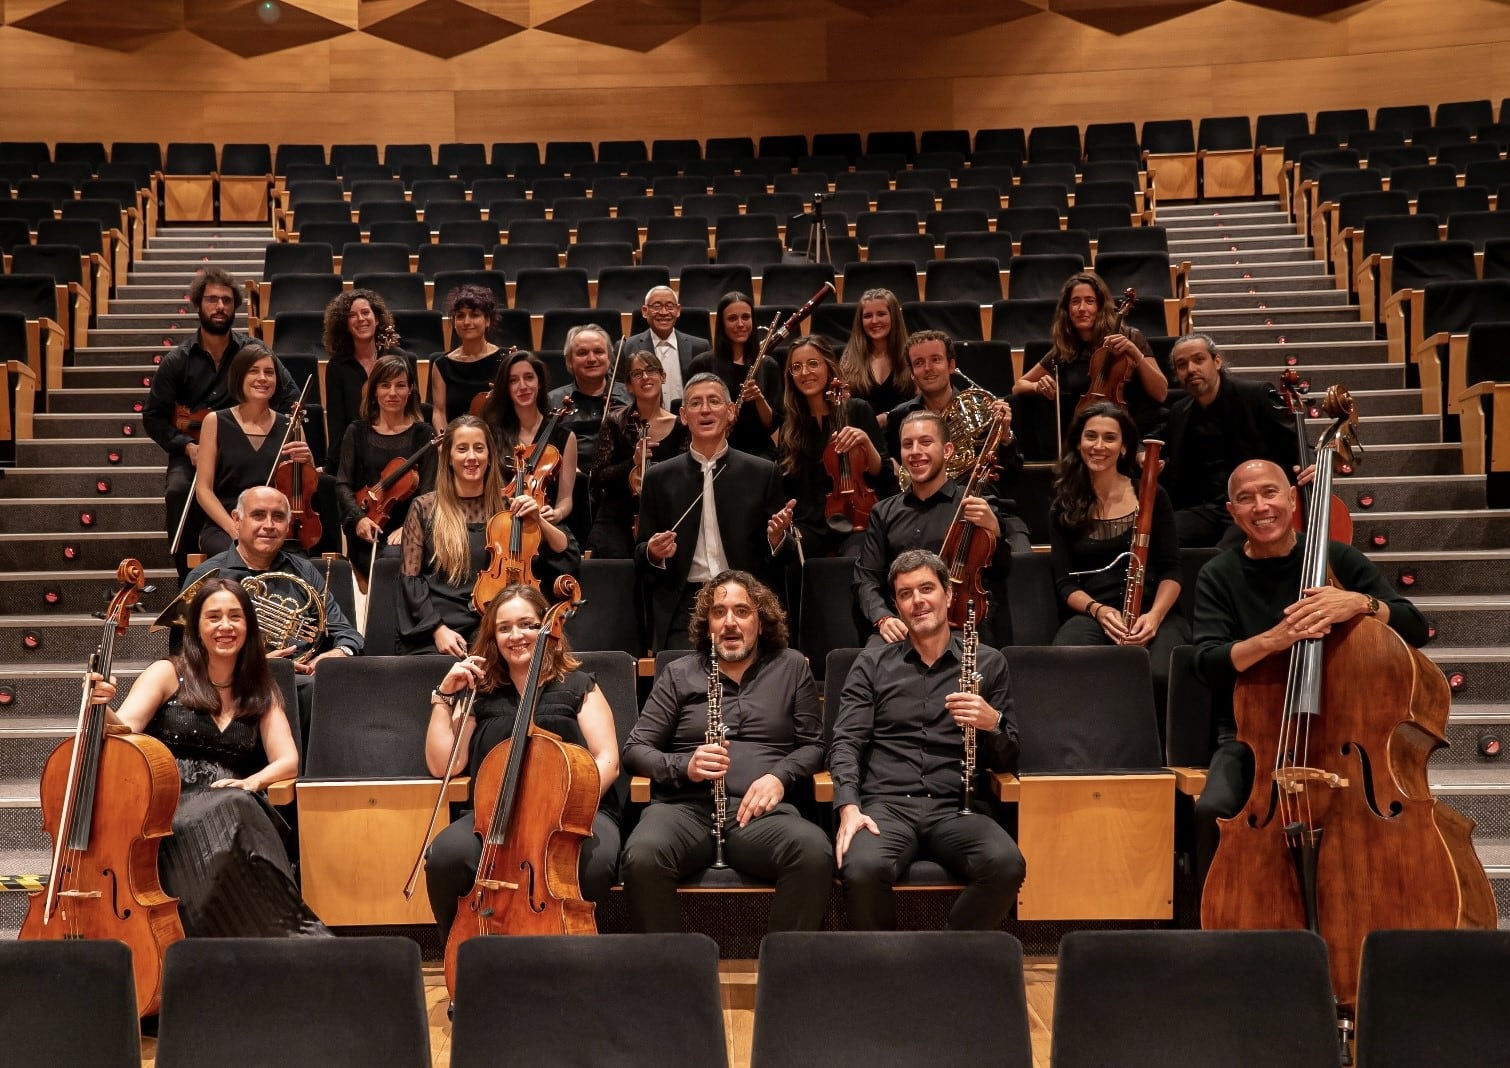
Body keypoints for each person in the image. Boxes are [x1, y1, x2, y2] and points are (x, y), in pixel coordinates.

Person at [1190, 459, 1429, 887]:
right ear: (1232, 511)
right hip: (1255, 737)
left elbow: (1416, 626)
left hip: (1343, 732)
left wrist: (1362, 603)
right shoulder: (1218, 575)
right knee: (1213, 809)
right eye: (1246, 499)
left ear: (1292, 498)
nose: (1260, 507)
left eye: (1270, 493)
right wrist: (1276, 638)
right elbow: (1207, 662)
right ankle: (1219, 938)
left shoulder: (1337, 559)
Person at [98, 577, 324, 936]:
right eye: (213, 617)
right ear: (196, 627)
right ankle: (288, 935)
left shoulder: (259, 686)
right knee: (239, 808)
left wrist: (254, 781)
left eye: (235, 616)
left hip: (231, 799)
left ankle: (284, 939)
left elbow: (288, 760)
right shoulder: (167, 673)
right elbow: (124, 731)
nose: (225, 626)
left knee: (241, 806)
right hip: (168, 805)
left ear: (248, 625)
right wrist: (100, 707)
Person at [621, 571, 832, 932]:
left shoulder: (792, 666)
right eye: (719, 612)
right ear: (707, 626)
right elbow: (635, 749)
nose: (730, 622)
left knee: (813, 852)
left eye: (742, 611)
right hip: (685, 808)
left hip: (762, 813)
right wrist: (685, 766)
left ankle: (783, 972)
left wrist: (779, 777)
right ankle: (674, 973)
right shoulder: (678, 673)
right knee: (642, 856)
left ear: (761, 623)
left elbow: (814, 746)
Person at [831, 549, 1026, 930]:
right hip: (886, 805)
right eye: (906, 594)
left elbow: (1010, 758)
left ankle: (946, 955)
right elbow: (846, 742)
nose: (918, 601)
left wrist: (992, 722)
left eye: (926, 589)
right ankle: (885, 968)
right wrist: (848, 807)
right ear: (897, 606)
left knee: (1006, 865)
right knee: (862, 868)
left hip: (958, 806)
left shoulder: (988, 662)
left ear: (948, 594)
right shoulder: (872, 664)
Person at [422, 583, 621, 945]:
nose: (517, 636)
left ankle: (581, 956)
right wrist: (444, 696)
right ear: (493, 636)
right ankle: (465, 955)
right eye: (504, 627)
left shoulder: (577, 685)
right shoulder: (481, 692)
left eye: (527, 624)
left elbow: (607, 758)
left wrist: (563, 806)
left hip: (573, 816)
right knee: (444, 857)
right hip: (495, 816)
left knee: (596, 863)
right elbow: (443, 765)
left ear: (545, 629)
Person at [143, 267, 297, 579]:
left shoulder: (254, 353)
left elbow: (289, 395)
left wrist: (263, 424)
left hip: (245, 447)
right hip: (196, 450)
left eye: (226, 300)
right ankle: (187, 575)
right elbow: (153, 417)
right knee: (178, 489)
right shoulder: (178, 360)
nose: (220, 306)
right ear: (198, 304)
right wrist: (186, 447)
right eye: (212, 299)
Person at [636, 373, 796, 651]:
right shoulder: (659, 477)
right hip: (684, 605)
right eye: (696, 404)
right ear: (684, 416)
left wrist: (777, 538)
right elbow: (640, 551)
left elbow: (784, 556)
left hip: (746, 599)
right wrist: (653, 552)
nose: (706, 410)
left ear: (731, 411)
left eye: (714, 401)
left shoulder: (761, 472)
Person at [398, 415, 578, 656]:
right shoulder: (424, 508)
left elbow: (567, 553)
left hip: (498, 629)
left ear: (490, 456)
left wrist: (539, 520)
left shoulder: (510, 506)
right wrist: (437, 630)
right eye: (462, 449)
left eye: (479, 448)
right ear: (449, 458)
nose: (471, 457)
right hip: (440, 632)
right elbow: (411, 580)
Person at [1049, 402, 1189, 712]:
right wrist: (1099, 611)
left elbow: (1172, 570)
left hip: (1153, 611)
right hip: (1094, 612)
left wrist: (1153, 618)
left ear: (1124, 447)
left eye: (1110, 438)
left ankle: (1161, 755)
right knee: (1064, 663)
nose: (1099, 446)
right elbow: (1064, 584)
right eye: (1091, 437)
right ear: (1078, 442)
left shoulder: (1152, 495)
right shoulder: (1063, 505)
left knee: (1160, 673)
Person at [854, 409, 1018, 646]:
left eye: (926, 442)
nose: (915, 452)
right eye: (907, 445)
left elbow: (1001, 571)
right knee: (868, 663)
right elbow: (866, 577)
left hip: (961, 627)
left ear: (947, 450)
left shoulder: (975, 503)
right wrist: (883, 618)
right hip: (903, 628)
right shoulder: (884, 512)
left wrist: (995, 530)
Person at [183, 485, 363, 674]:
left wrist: (336, 654)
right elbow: (185, 651)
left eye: (278, 517)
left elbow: (349, 636)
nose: (268, 525)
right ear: (236, 520)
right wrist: (253, 664)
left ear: (287, 525)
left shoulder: (305, 571)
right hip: (235, 683)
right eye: (258, 515)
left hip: (303, 681)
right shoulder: (206, 576)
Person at [1161, 333, 1300, 548]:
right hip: (1205, 508)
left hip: (1252, 502)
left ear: (1216, 361)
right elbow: (1163, 449)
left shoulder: (1255, 396)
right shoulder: (1179, 412)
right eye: (1182, 365)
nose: (1191, 369)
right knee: (1164, 539)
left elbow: (1296, 445)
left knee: (1225, 553)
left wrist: (1313, 464)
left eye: (1199, 360)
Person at [1011, 271, 1168, 440]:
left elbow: (1160, 393)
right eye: (1075, 302)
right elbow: (1018, 386)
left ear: (1100, 306)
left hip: (1132, 427)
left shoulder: (1130, 337)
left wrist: (1135, 353)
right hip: (1085, 431)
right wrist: (1037, 387)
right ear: (1067, 309)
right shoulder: (1065, 349)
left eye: (1090, 301)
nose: (1082, 308)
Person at [192, 341, 315, 557]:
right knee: (240, 554)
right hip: (227, 524)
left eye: (269, 372)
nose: (262, 378)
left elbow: (304, 489)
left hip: (273, 527)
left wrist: (308, 460)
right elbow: (203, 490)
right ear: (239, 377)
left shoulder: (291, 425)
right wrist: (235, 528)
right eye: (253, 371)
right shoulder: (215, 422)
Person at [777, 334, 891, 558]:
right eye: (796, 367)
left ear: (828, 367)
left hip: (857, 518)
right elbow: (789, 486)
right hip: (810, 525)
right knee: (790, 557)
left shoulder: (857, 410)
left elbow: (885, 475)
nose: (805, 372)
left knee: (854, 560)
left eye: (813, 364)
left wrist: (866, 443)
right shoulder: (790, 426)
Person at [333, 354, 436, 582]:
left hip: (411, 530)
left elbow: (428, 490)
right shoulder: (357, 432)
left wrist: (410, 528)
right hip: (366, 528)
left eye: (400, 385)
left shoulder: (423, 434)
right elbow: (342, 484)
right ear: (374, 390)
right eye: (385, 385)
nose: (392, 393)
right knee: (380, 564)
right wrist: (358, 518)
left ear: (410, 390)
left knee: (401, 562)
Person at [587, 349, 689, 560]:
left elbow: (684, 478)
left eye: (651, 370)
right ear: (629, 386)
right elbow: (597, 479)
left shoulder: (681, 427)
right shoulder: (615, 422)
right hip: (617, 516)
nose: (645, 377)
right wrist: (632, 463)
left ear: (663, 376)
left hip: (663, 516)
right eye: (637, 373)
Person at [547, 323, 630, 544]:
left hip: (619, 490)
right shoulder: (553, 401)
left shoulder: (629, 398)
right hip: (570, 488)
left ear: (610, 358)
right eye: (582, 353)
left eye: (599, 352)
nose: (591, 358)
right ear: (569, 362)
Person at [479, 349, 577, 526]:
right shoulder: (492, 433)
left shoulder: (565, 437)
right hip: (500, 524)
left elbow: (565, 499)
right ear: (506, 388)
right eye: (513, 380)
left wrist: (556, 513)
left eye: (529, 377)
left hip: (544, 525)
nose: (522, 386)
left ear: (539, 382)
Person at [321, 288, 411, 470]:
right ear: (345, 324)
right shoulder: (337, 366)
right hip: (357, 456)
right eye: (352, 315)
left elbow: (411, 409)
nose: (361, 319)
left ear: (376, 318)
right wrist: (333, 468)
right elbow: (337, 424)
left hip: (398, 450)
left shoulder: (398, 357)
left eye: (365, 312)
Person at [688, 291, 784, 459]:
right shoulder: (702, 364)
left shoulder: (768, 365)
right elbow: (692, 414)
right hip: (715, 449)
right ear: (722, 324)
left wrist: (758, 398)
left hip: (759, 452)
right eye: (732, 318)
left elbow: (771, 425)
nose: (740, 324)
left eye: (746, 317)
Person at [429, 284, 507, 431]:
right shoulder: (442, 365)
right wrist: (446, 445)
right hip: (458, 445)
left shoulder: (505, 359)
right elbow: (439, 412)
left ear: (488, 321)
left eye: (474, 315)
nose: (466, 322)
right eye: (460, 316)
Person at [838, 288, 913, 426]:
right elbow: (845, 409)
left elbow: (921, 402)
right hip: (863, 437)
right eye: (867, 316)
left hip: (905, 435)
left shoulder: (911, 355)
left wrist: (887, 418)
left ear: (894, 317)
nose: (874, 321)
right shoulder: (848, 360)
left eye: (881, 314)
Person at [624, 285, 709, 407]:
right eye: (657, 306)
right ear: (644, 311)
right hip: (644, 420)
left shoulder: (700, 347)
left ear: (678, 310)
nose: (664, 312)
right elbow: (620, 389)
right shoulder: (627, 347)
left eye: (670, 306)